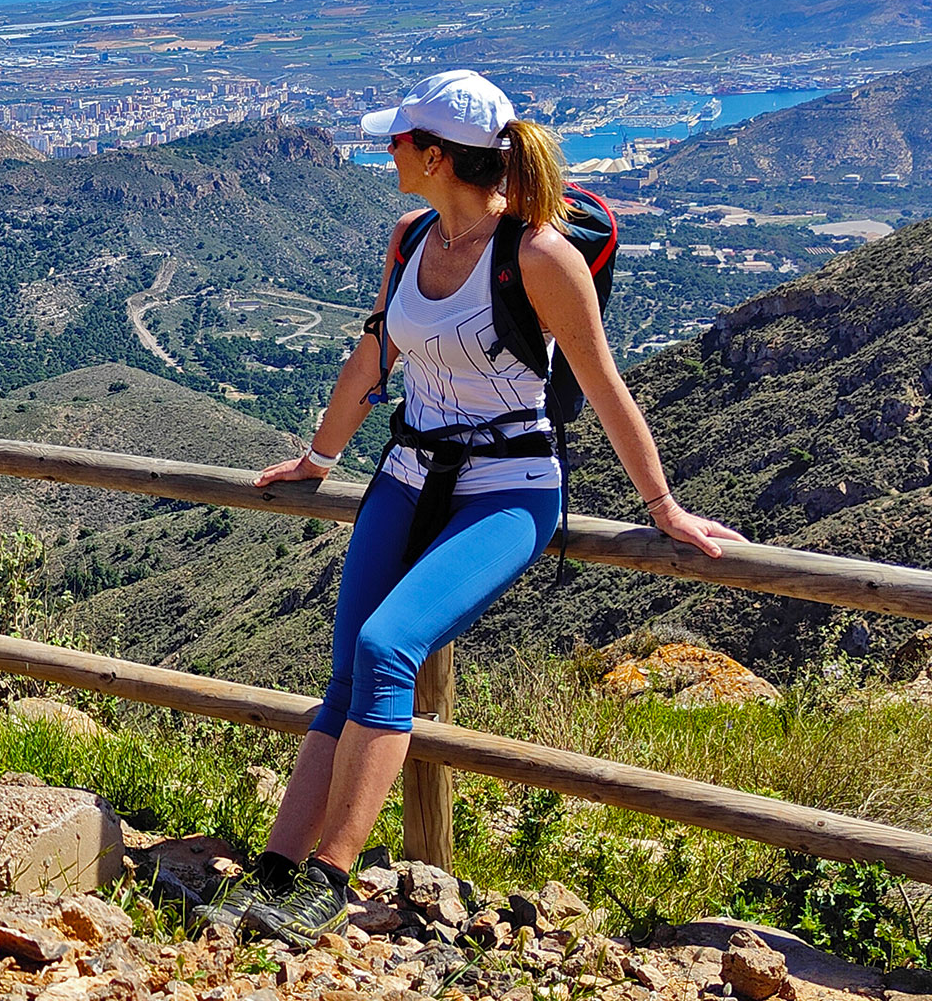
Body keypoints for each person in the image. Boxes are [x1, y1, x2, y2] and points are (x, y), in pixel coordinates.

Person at [194, 69, 746, 947]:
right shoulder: (409, 237)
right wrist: (317, 458)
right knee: (344, 674)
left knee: (387, 647)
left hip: (508, 489)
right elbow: (375, 356)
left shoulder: (537, 255)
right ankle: (272, 874)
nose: (389, 151)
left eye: (402, 140)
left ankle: (328, 881)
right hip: (408, 472)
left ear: (439, 155)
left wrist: (664, 506)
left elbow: (604, 386)